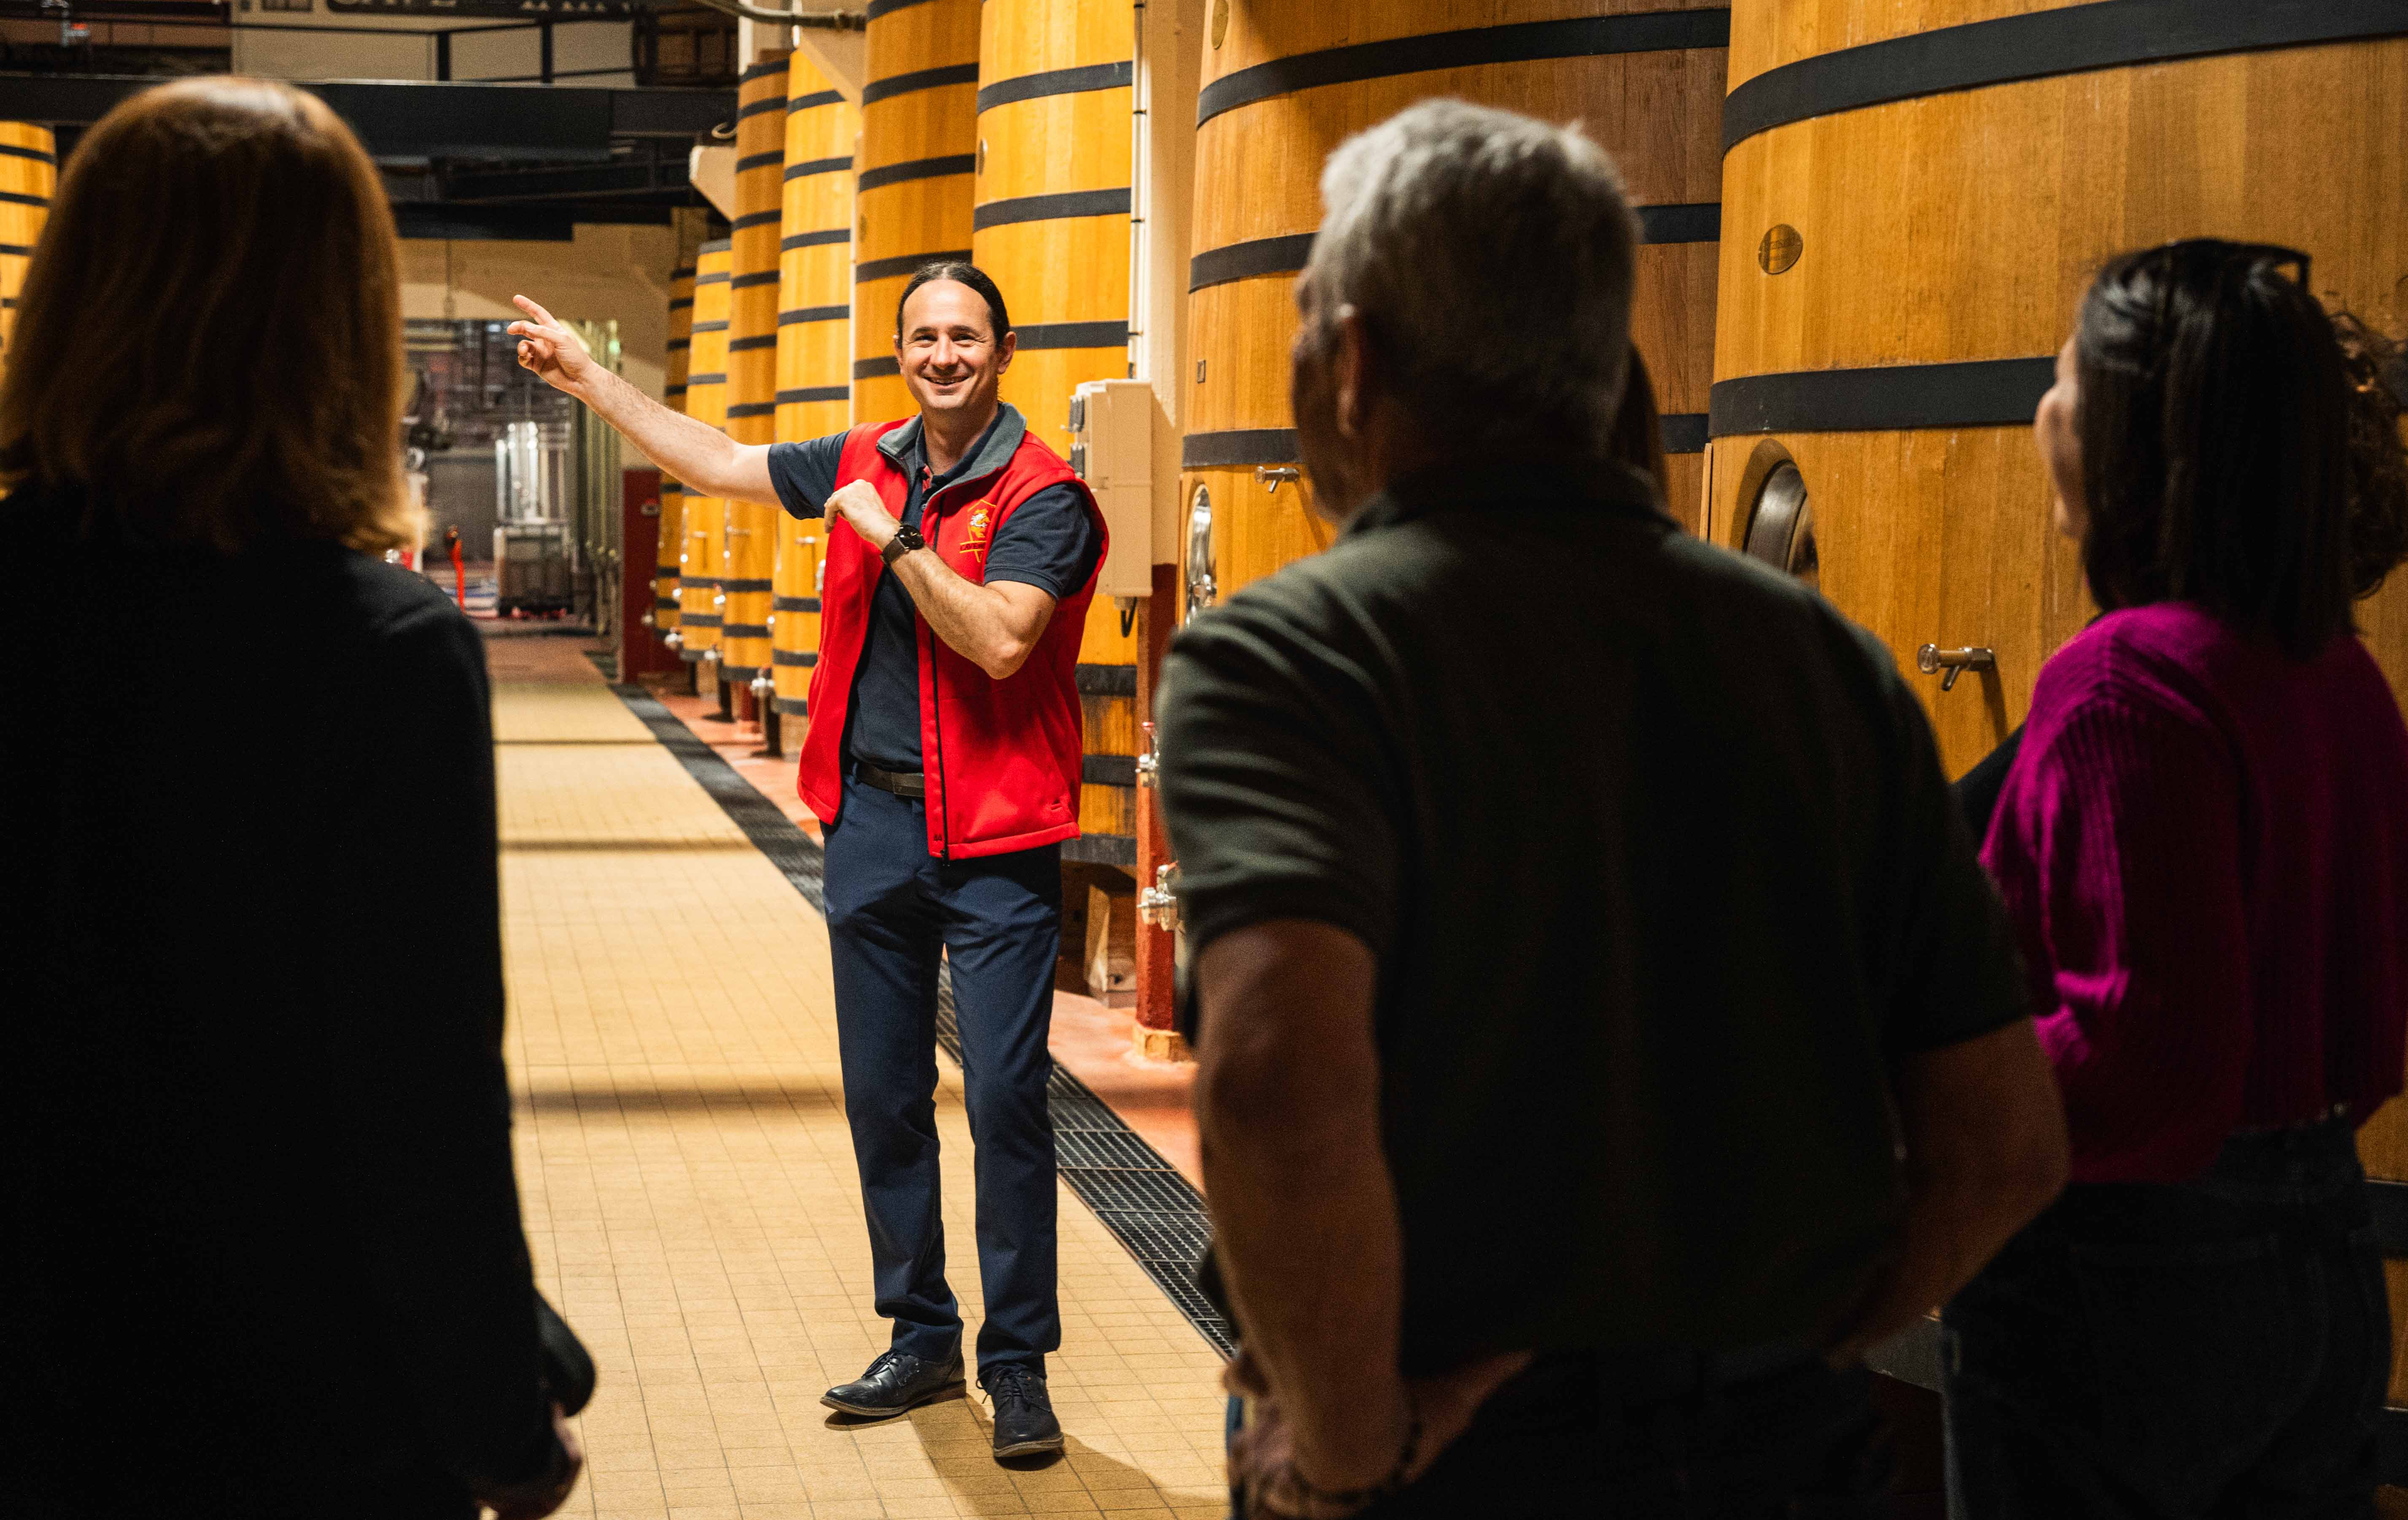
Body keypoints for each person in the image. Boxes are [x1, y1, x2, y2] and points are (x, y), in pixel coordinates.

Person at [1151, 98, 2071, 1519]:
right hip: (1789, 1453)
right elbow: (2008, 1142)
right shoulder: (1825, 660)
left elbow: (1280, 1085)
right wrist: (1786, 1349)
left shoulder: (1294, 659)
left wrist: (1349, 1448)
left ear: (1354, 361)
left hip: (1461, 1460)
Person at [0, 78, 583, 1519]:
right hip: (295, 1421)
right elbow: (418, 1104)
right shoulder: (375, 655)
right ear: (336, 328)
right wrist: (506, 1422)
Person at [508, 260, 1103, 1460]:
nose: (944, 355)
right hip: (874, 824)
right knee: (885, 1096)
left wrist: (892, 544)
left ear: (1002, 350)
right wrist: (592, 380)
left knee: (1002, 1099)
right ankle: (924, 1331)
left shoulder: (1049, 496)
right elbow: (720, 459)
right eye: (925, 336)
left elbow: (998, 641)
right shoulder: (861, 458)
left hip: (996, 836)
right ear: (901, 350)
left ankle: (1018, 1357)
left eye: (966, 337)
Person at [1944, 241, 2408, 1517]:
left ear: (2139, 441)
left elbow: (2148, 1068)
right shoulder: (2335, 673)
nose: (2042, 414)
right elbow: (2369, 1041)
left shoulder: (2119, 686)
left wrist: (1943, 1077)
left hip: (2128, 1286)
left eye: (2063, 384)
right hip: (2324, 1255)